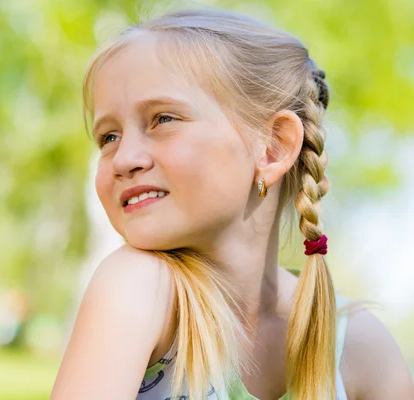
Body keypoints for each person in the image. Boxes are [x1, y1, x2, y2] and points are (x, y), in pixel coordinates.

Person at [50, 6, 414, 400]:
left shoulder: (357, 346)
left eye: (163, 119)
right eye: (108, 137)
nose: (123, 159)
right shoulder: (137, 285)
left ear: (273, 148)